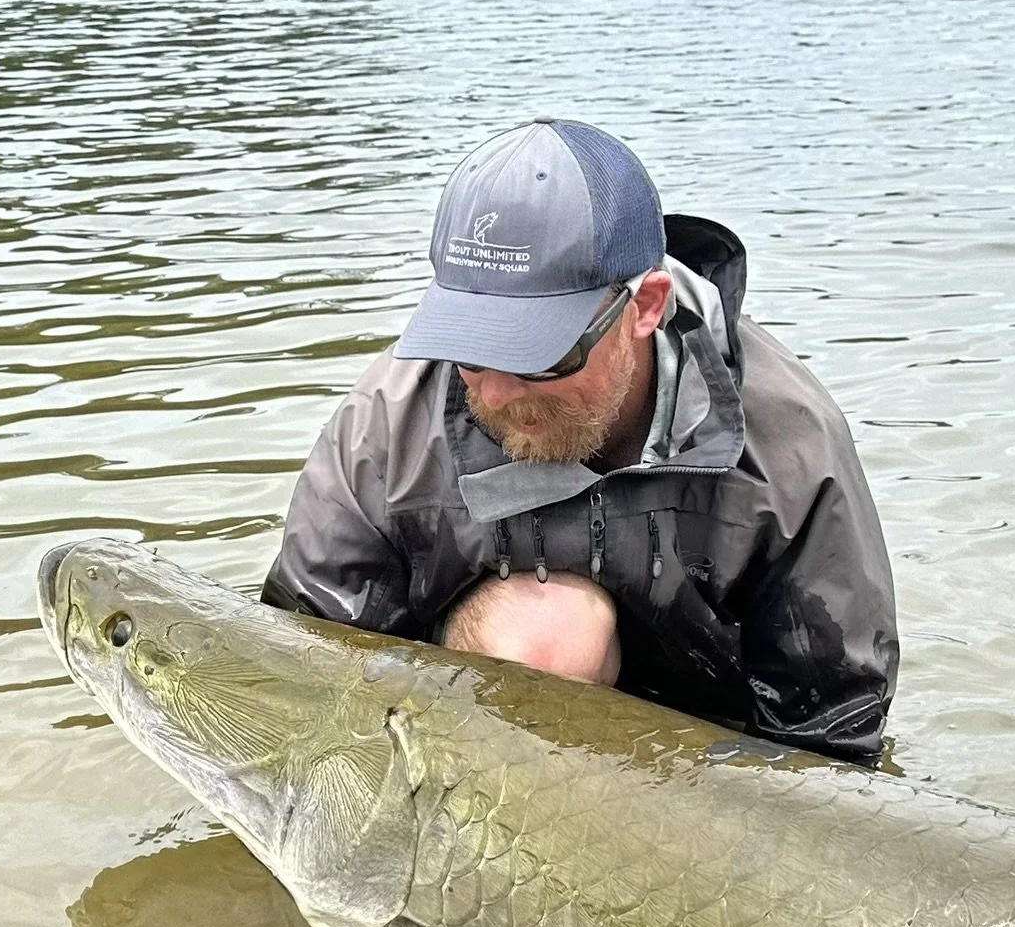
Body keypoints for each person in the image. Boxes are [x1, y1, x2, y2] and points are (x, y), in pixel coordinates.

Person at [261, 118, 898, 764]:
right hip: (474, 716)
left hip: (705, 745)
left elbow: (832, 738)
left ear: (645, 306)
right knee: (550, 636)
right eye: (471, 355)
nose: (497, 395)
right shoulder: (384, 428)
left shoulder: (790, 445)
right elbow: (304, 673)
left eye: (537, 358)